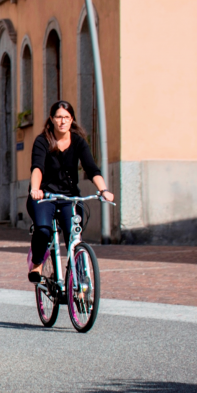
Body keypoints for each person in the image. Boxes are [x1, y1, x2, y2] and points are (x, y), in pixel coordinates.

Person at [27, 101, 114, 282]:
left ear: (72, 119)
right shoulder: (42, 141)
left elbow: (91, 169)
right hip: (45, 196)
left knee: (74, 238)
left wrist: (103, 189)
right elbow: (37, 167)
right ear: (52, 119)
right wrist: (35, 189)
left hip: (69, 197)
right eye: (59, 117)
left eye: (66, 117)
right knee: (43, 230)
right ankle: (37, 263)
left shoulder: (78, 142)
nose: (62, 121)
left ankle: (80, 284)